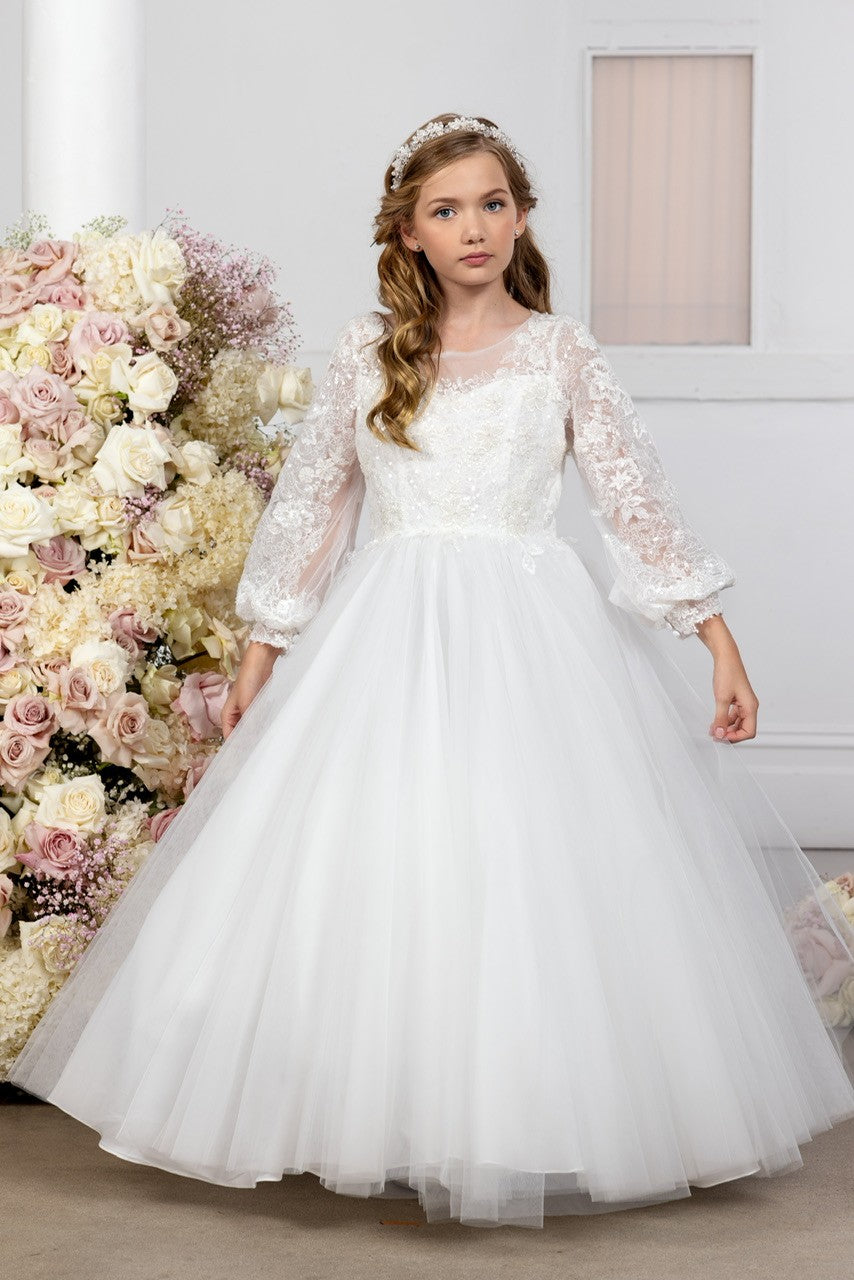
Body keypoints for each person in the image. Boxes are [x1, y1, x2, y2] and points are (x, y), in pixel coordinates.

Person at [9, 112, 854, 1231]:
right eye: (447, 210)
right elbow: (314, 504)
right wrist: (264, 647)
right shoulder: (371, 353)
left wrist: (715, 640)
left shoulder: (561, 351)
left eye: (493, 204)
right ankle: (377, 1109)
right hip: (387, 634)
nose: (474, 228)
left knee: (525, 861)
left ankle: (521, 1113)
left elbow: (633, 499)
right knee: (385, 856)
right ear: (408, 232)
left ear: (521, 217)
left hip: (533, 636)